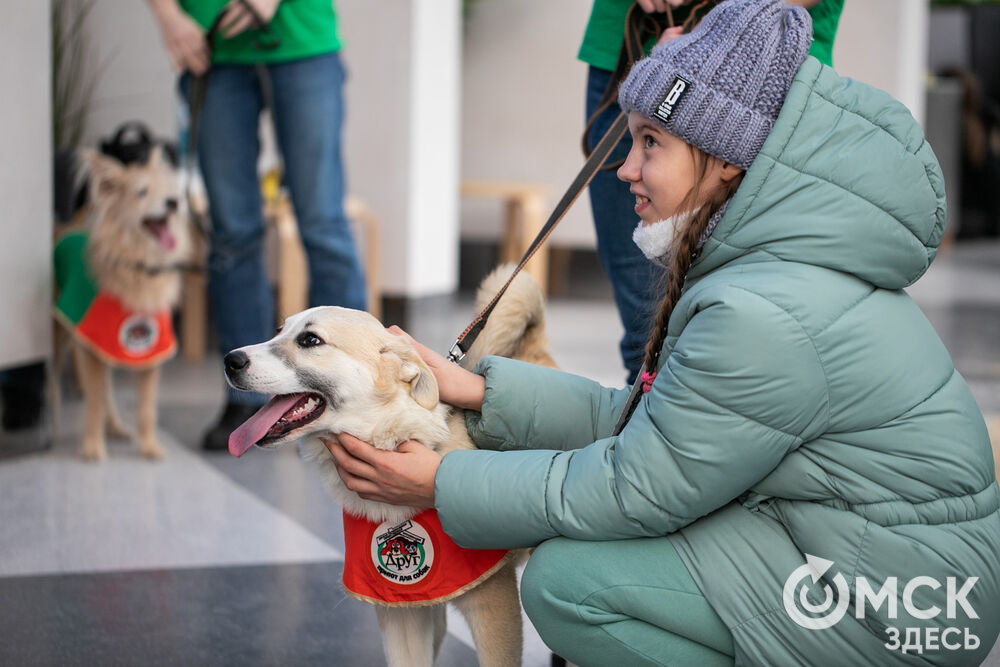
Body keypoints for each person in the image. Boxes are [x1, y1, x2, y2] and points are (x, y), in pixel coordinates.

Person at [321, 0, 1000, 664]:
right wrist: (476, 389)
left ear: (726, 158)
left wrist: (443, 481)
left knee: (571, 585)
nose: (625, 169)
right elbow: (656, 429)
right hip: (861, 549)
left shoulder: (762, 312)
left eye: (651, 142)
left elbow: (633, 486)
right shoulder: (761, 263)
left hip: (905, 606)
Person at [581, 0, 844, 384]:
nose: (625, 170)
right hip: (634, 40)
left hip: (758, 65)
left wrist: (722, 31)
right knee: (646, 334)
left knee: (742, 321)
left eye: (648, 144)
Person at [148, 0, 367, 449]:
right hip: (211, 48)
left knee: (323, 224)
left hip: (301, 39)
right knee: (230, 233)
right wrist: (169, 16)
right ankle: (246, 399)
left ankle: (356, 395)